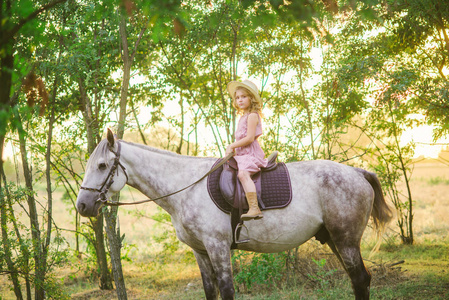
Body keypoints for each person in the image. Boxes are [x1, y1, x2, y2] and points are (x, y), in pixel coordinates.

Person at [225, 80, 268, 220]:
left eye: (243, 96)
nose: (240, 100)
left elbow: (249, 138)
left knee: (243, 174)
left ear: (251, 98)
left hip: (251, 154)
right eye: (237, 98)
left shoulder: (252, 116)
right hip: (242, 154)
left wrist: (232, 145)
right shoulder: (242, 117)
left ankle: (254, 208)